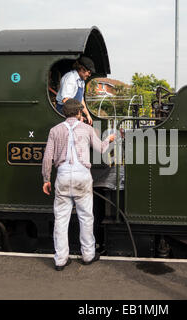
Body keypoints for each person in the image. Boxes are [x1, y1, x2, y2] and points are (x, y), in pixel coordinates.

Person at [42, 98, 115, 271]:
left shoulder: (55, 130)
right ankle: (88, 255)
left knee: (61, 218)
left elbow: (47, 158)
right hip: (82, 175)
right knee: (86, 216)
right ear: (79, 113)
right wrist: (110, 139)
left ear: (64, 112)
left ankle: (60, 259)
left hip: (63, 175)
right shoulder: (87, 129)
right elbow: (102, 149)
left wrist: (46, 179)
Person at [55, 56, 95, 125]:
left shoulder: (81, 81)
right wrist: (78, 116)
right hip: (63, 112)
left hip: (74, 114)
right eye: (89, 72)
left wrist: (88, 115)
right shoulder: (70, 78)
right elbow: (66, 100)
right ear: (82, 69)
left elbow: (80, 99)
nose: (89, 75)